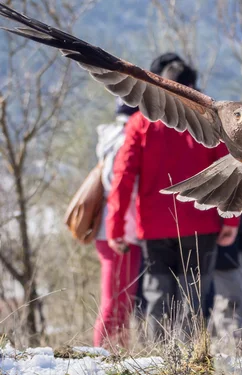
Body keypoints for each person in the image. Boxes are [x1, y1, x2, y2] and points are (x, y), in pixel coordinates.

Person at [106, 53, 239, 342]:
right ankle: (191, 362)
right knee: (194, 298)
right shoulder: (210, 123)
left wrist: (115, 227)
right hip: (201, 225)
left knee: (157, 298)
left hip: (154, 228)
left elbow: (123, 177)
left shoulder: (140, 124)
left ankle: (159, 360)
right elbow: (230, 173)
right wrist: (231, 218)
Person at [93, 99, 141, 348]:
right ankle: (101, 358)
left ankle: (119, 354)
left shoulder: (110, 137)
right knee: (114, 302)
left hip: (117, 229)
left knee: (122, 301)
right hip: (118, 230)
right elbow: (117, 185)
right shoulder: (123, 139)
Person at [209, 212, 242, 353]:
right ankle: (235, 356)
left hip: (232, 240)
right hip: (218, 235)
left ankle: (237, 356)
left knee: (232, 304)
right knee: (231, 304)